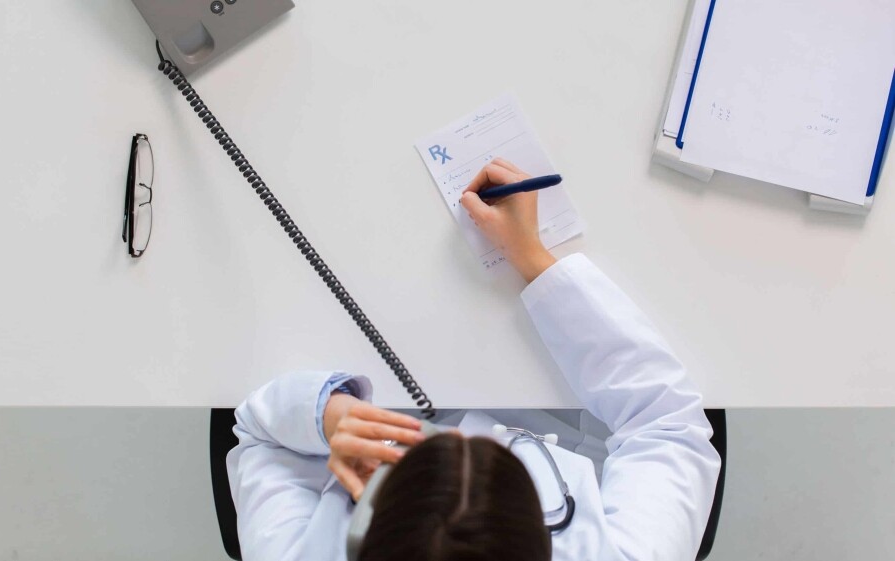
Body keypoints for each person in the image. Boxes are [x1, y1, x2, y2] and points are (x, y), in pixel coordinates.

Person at [227, 158, 722, 560]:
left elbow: (258, 432)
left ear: (360, 535)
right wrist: (532, 256)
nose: (465, 433)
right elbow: (667, 422)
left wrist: (328, 416)